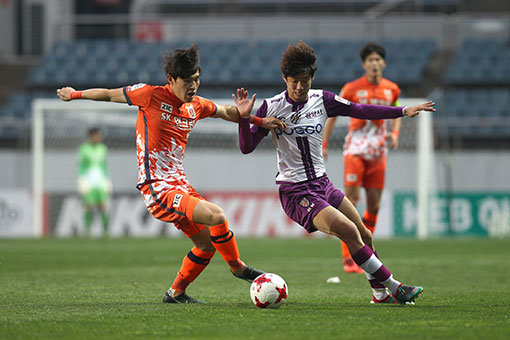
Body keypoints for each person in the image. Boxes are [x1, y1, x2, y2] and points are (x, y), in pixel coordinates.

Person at [57, 43, 285, 304]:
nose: (193, 86)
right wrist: (74, 95)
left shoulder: (194, 106)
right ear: (171, 79)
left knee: (206, 245)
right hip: (157, 188)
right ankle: (238, 268)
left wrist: (256, 120)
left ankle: (175, 294)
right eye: (187, 81)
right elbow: (109, 94)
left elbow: (225, 112)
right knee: (217, 216)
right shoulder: (149, 95)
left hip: (180, 185)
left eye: (197, 80)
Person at [234, 41, 434, 304]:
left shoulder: (323, 99)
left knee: (365, 234)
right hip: (296, 192)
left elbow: (359, 109)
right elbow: (247, 147)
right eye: (293, 80)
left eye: (304, 80)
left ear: (312, 77)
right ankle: (396, 287)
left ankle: (379, 295)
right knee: (348, 230)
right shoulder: (270, 107)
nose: (298, 86)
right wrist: (244, 119)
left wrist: (402, 111)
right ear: (284, 78)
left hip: (323, 184)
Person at [322, 42, 402, 274]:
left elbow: (396, 110)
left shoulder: (392, 89)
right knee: (352, 200)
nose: (375, 64)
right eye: (370, 60)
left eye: (378, 60)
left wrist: (394, 133)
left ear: (383, 63)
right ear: (364, 64)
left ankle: (366, 251)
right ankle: (349, 257)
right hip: (355, 150)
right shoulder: (352, 88)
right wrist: (324, 143)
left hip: (378, 153)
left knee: (375, 205)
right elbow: (332, 114)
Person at [78, 127, 111, 237]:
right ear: (91, 136)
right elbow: (82, 165)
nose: (98, 137)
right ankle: (87, 231)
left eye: (98, 135)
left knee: (103, 206)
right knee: (89, 206)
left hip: (101, 181)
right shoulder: (84, 149)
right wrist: (81, 180)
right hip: (89, 181)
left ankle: (105, 231)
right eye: (96, 135)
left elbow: (104, 166)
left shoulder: (103, 148)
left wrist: (107, 180)